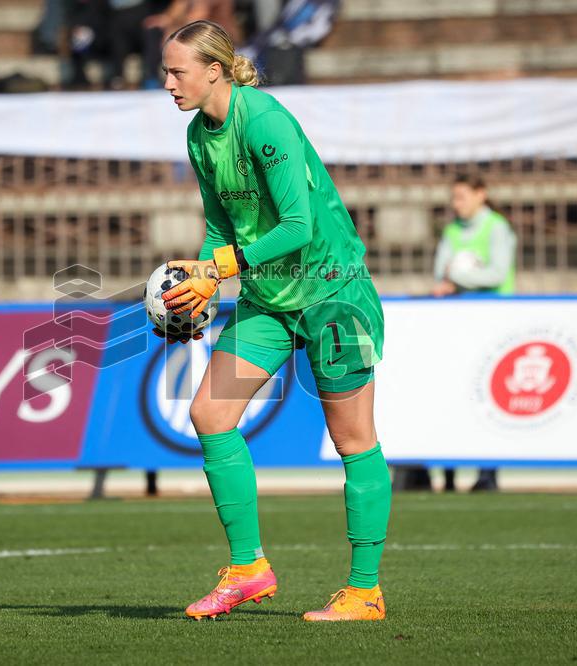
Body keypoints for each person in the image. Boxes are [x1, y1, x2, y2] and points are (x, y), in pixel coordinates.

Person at [156, 20, 390, 622]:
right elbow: (219, 226)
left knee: (352, 440)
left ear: (214, 69)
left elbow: (297, 226)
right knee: (209, 412)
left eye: (177, 71)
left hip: (331, 292)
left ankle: (365, 590)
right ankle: (248, 569)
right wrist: (205, 278)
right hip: (268, 298)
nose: (167, 82)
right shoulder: (197, 136)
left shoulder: (263, 120)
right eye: (165, 71)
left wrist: (224, 266)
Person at [433, 173, 517, 493]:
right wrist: (450, 279)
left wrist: (461, 276)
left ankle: (488, 471)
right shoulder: (452, 230)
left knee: (489, 393)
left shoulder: (497, 227)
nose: (457, 204)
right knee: (455, 391)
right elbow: (440, 272)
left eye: (462, 196)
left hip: (494, 319)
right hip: (458, 320)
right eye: (454, 197)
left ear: (481, 194)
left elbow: (498, 272)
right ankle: (449, 471)